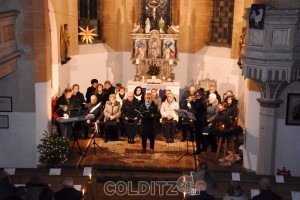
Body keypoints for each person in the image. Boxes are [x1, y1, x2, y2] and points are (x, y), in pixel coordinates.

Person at [191, 88, 207, 155]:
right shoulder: (201, 100)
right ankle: (204, 147)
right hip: (199, 119)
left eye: (197, 94)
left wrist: (191, 101)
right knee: (200, 134)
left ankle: (198, 150)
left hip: (200, 120)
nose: (196, 96)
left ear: (200, 95)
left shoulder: (202, 101)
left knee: (198, 135)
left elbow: (195, 108)